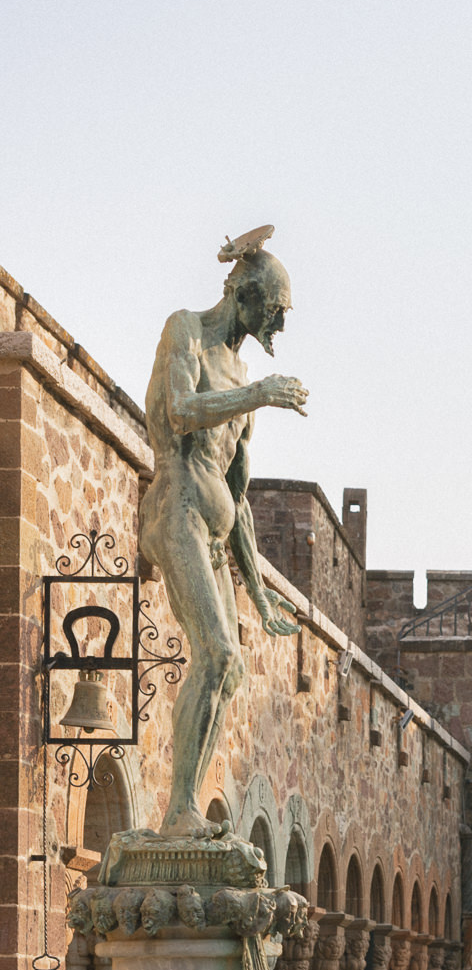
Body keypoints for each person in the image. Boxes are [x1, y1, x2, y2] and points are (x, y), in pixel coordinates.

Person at [139, 229, 308, 841]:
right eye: (275, 312)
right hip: (174, 506)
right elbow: (180, 411)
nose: (278, 328)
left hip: (212, 529)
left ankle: (184, 804)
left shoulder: (239, 377)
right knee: (216, 652)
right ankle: (180, 806)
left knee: (230, 668)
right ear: (245, 292)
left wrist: (261, 600)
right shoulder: (185, 330)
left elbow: (239, 498)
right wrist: (257, 394)